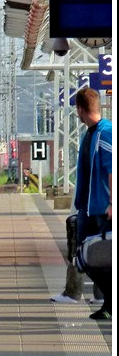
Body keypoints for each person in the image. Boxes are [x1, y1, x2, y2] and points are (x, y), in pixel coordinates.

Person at [51, 87, 112, 319]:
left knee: (102, 258)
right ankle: (109, 300)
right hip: (87, 208)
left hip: (103, 209)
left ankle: (109, 304)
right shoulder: (89, 134)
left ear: (79, 109)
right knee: (83, 258)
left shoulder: (105, 133)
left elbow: (111, 168)